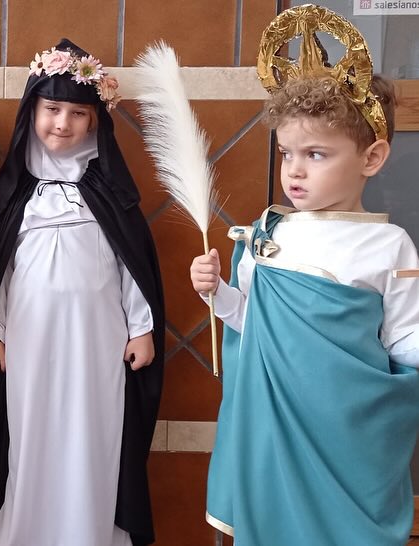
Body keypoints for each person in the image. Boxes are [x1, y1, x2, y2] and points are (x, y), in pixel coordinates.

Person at [190, 8, 419, 544]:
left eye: (316, 154)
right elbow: (253, 323)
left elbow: (405, 338)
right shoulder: (269, 232)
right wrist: (218, 292)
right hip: (276, 426)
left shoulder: (388, 244)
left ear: (371, 157)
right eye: (287, 152)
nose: (294, 169)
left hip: (346, 429)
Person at [0, 38, 164, 546]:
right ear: (31, 112)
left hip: (97, 339)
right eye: (52, 109)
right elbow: (0, 273)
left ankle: (89, 532)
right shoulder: (15, 197)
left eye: (78, 113)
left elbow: (132, 267)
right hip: (30, 339)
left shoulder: (110, 194)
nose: (63, 123)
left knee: (91, 431)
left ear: (95, 122)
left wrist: (142, 328)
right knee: (31, 431)